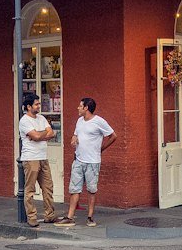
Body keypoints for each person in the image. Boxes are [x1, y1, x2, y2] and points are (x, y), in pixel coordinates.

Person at [55, 97, 116, 227]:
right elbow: (75, 135)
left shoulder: (99, 121)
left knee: (91, 190)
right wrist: (73, 139)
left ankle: (90, 217)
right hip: (78, 160)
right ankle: (70, 217)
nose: (78, 108)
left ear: (86, 108)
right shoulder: (79, 121)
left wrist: (102, 149)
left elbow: (113, 136)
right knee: (74, 189)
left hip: (93, 162)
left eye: (80, 106)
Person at [18, 91, 59, 228]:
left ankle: (49, 215)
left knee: (48, 187)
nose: (39, 106)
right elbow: (35, 136)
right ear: (29, 107)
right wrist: (40, 135)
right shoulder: (24, 121)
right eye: (36, 104)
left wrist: (37, 135)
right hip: (31, 158)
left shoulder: (41, 118)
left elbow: (51, 133)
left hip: (43, 157)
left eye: (39, 103)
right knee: (30, 190)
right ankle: (32, 217)